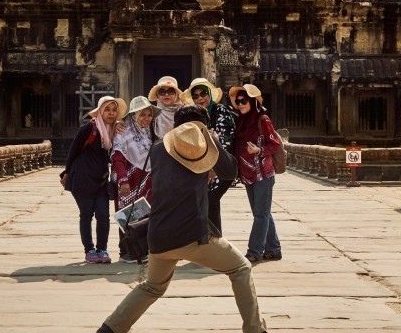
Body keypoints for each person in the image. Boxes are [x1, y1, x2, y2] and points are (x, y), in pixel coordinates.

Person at [96, 105, 268, 333]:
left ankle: (109, 329)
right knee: (241, 268)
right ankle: (256, 330)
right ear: (202, 128)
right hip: (191, 234)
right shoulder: (203, 143)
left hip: (158, 234)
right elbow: (229, 171)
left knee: (152, 287)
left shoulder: (157, 149)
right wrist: (213, 140)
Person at [63, 95, 127, 264]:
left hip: (100, 180)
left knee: (103, 215)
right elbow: (73, 151)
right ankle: (89, 250)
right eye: (107, 110)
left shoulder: (113, 131)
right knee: (86, 215)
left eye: (114, 110)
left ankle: (102, 249)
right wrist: (66, 173)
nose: (111, 113)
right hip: (82, 178)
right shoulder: (89, 129)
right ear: (99, 111)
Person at [229, 83, 282, 263]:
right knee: (262, 213)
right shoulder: (241, 121)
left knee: (261, 214)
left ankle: (255, 251)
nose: (241, 104)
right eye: (238, 101)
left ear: (253, 102)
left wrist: (259, 151)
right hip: (247, 173)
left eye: (244, 100)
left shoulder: (262, 120)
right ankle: (274, 249)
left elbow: (275, 144)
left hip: (263, 173)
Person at [182, 76, 237, 233]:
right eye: (195, 96)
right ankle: (210, 240)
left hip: (222, 167)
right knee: (207, 203)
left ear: (210, 95)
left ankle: (215, 240)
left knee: (211, 201)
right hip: (205, 168)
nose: (200, 98)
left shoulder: (221, 112)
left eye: (203, 94)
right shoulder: (198, 115)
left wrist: (213, 169)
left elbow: (225, 144)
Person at [111, 95, 161, 263]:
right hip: (129, 179)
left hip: (147, 178)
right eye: (142, 115)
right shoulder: (123, 132)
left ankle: (142, 250)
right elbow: (117, 156)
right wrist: (123, 180)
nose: (146, 118)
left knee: (145, 215)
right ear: (134, 115)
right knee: (127, 215)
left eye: (148, 114)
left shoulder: (151, 130)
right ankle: (126, 252)